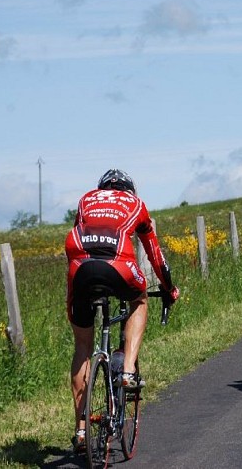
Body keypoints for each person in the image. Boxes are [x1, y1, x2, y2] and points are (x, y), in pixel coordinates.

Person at [65, 169, 179, 451]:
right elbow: (155, 254)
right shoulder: (136, 204)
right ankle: (128, 369)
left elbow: (79, 233)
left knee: (82, 347)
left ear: (102, 188)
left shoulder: (86, 200)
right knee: (139, 300)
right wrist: (169, 288)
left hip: (80, 266)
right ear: (130, 189)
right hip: (118, 263)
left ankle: (81, 431)